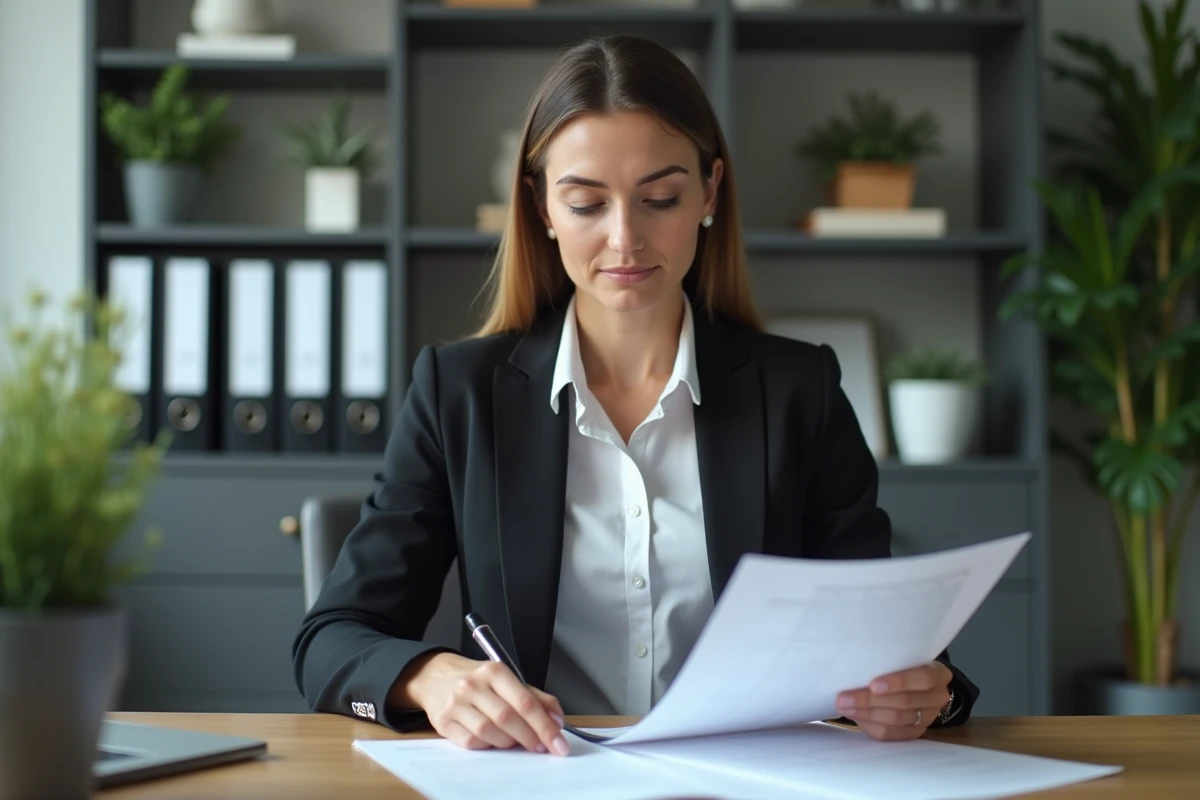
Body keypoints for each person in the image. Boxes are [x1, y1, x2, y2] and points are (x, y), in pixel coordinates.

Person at [291, 33, 978, 758]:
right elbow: (330, 641)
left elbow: (900, 648)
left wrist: (927, 693)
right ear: (541, 206)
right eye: (586, 203)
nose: (625, 239)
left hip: (744, 779)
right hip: (545, 778)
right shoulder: (457, 393)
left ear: (710, 192)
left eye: (660, 199)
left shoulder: (799, 391)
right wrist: (432, 679)